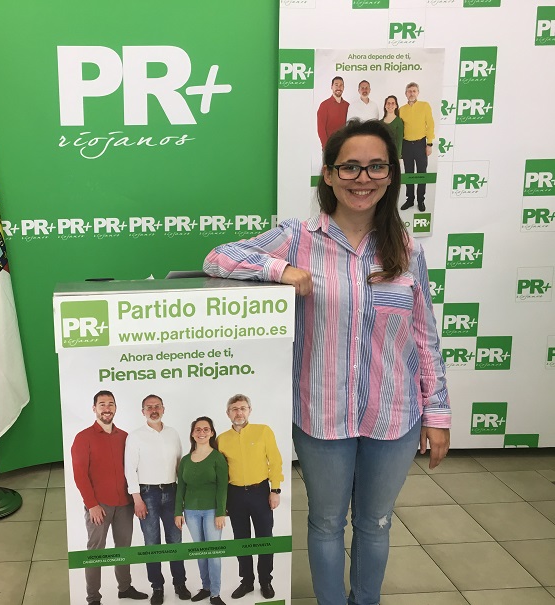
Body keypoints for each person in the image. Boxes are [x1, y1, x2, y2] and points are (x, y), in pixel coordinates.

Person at [203, 119, 451, 605]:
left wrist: (437, 413)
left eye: (376, 167)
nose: (363, 178)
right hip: (322, 416)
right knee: (326, 522)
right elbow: (218, 258)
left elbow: (425, 336)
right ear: (330, 174)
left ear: (391, 175)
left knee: (376, 523)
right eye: (350, 167)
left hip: (394, 414)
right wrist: (279, 268)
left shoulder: (406, 249)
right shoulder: (297, 237)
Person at [71, 391, 148, 605]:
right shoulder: (83, 437)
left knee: (124, 548)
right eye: (102, 404)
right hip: (99, 506)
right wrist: (92, 505)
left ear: (115, 408)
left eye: (111, 404)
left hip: (124, 504)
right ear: (94, 408)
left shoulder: (125, 437)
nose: (107, 408)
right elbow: (79, 474)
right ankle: (93, 598)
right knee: (95, 552)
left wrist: (136, 498)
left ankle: (125, 588)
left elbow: (133, 468)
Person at [124, 395, 191, 604]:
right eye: (149, 407)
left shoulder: (173, 433)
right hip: (147, 495)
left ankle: (180, 583)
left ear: (163, 409)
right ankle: (157, 587)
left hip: (172, 492)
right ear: (142, 411)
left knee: (175, 540)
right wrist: (137, 499)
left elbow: (179, 465)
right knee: (152, 543)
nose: (154, 410)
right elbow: (130, 469)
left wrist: (182, 496)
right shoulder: (135, 436)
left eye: (157, 406)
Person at [216, 394, 283, 601]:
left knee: (265, 539)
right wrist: (222, 502)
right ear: (228, 413)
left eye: (243, 408)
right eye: (234, 409)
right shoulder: (222, 439)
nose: (239, 412)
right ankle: (246, 581)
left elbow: (275, 460)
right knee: (241, 540)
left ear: (249, 411)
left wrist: (275, 490)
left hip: (260, 492)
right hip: (235, 495)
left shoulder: (263, 431)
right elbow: (220, 474)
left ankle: (266, 581)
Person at [174, 417, 229, 605]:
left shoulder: (217, 457)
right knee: (200, 552)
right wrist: (178, 512)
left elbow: (222, 487)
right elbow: (180, 487)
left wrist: (221, 512)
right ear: (192, 434)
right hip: (191, 512)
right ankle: (206, 587)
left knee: (213, 553)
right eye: (197, 429)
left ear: (212, 433)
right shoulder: (185, 460)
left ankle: (215, 593)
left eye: (206, 429)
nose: (202, 432)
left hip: (212, 512)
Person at [399, 82, 435, 212]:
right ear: (406, 93)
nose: (412, 93)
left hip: (421, 144)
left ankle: (421, 200)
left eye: (414, 91)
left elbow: (430, 125)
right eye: (409, 91)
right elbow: (400, 130)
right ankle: (410, 200)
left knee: (421, 174)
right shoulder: (401, 110)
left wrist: (429, 144)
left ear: (418, 93)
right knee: (409, 174)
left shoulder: (425, 106)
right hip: (406, 145)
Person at [317, 77, 349, 149]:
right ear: (331, 87)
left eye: (341, 85)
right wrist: (326, 147)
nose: (339, 88)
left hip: (344, 147)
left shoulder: (347, 106)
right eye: (336, 85)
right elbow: (321, 129)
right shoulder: (324, 105)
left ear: (343, 87)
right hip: (330, 147)